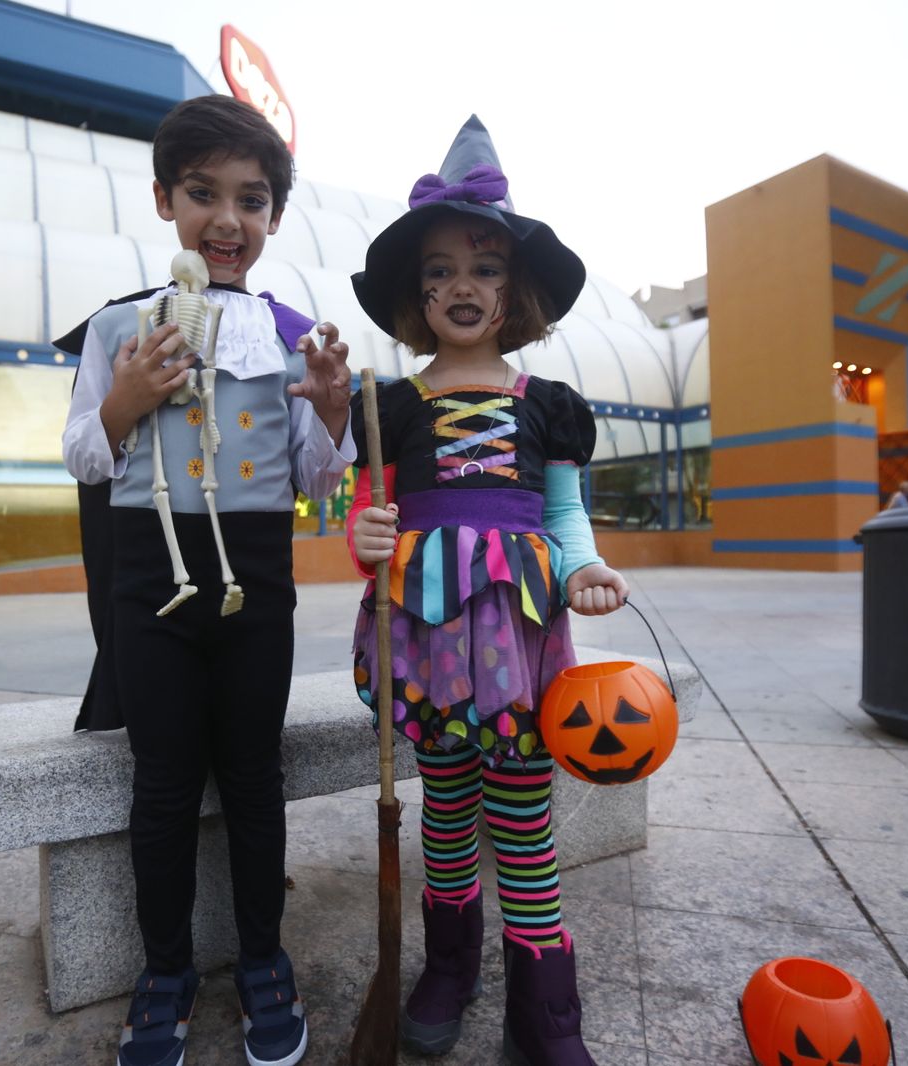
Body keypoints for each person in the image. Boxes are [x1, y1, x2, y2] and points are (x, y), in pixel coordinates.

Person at [57, 94, 353, 1066]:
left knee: (256, 778)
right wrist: (125, 400)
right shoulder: (118, 328)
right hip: (153, 586)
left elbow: (315, 479)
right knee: (165, 783)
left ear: (272, 217)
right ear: (163, 200)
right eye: (202, 194)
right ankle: (165, 969)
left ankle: (264, 957)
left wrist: (337, 413)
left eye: (252, 200)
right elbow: (82, 459)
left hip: (257, 587)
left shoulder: (292, 334)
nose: (227, 219)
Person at [345, 116, 628, 1065]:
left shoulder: (546, 406)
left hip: (519, 647)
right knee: (448, 812)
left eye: (485, 268)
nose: (461, 286)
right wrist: (364, 537)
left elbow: (564, 512)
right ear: (415, 295)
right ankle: (448, 968)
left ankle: (547, 1009)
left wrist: (583, 567)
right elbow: (369, 516)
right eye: (439, 271)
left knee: (525, 816)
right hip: (425, 646)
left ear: (517, 290)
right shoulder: (390, 408)